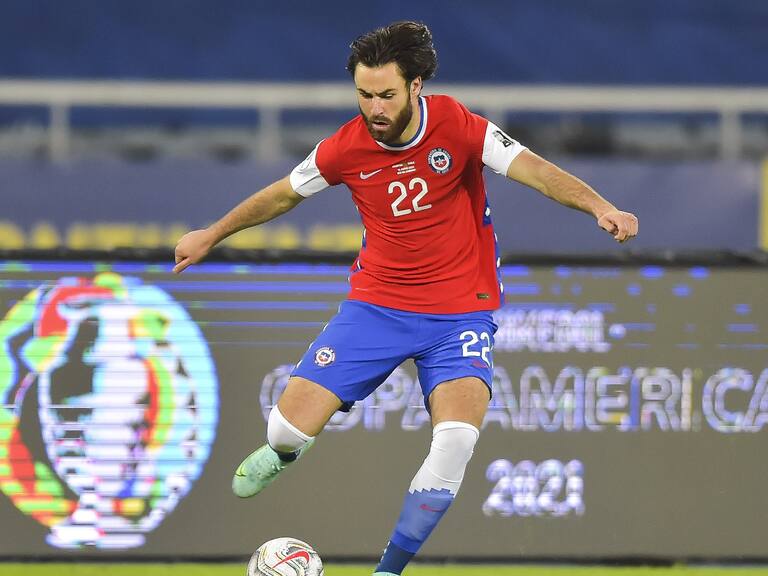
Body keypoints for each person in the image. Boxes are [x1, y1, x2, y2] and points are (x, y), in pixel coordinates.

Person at [173, 20, 638, 576]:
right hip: (376, 308)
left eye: (386, 95)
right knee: (284, 428)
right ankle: (286, 451)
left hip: (460, 312)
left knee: (456, 443)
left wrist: (599, 207)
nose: (374, 108)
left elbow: (535, 170)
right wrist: (211, 233)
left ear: (416, 86)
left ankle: (388, 571)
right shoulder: (346, 147)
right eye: (364, 95)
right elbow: (280, 196)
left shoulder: (460, 126)